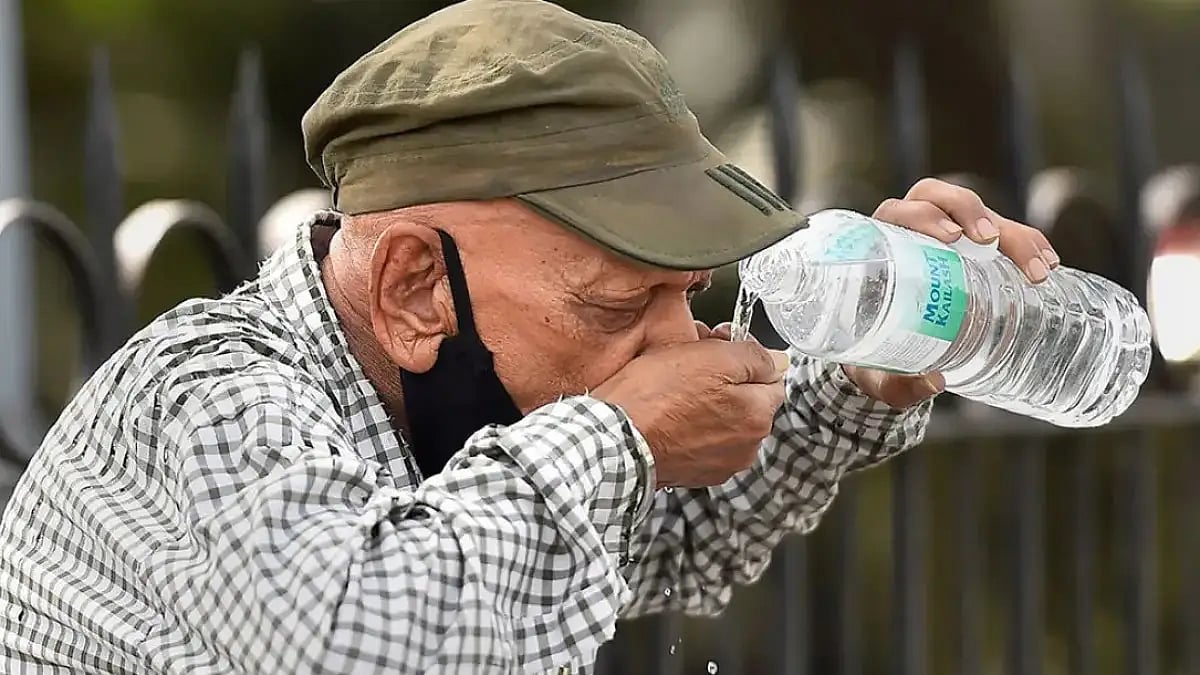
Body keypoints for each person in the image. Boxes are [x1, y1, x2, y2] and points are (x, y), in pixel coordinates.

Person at [0, 0, 1061, 673]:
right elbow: (360, 649)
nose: (673, 345)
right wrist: (624, 433)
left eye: (684, 294)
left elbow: (675, 531)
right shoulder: (209, 398)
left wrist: (864, 371)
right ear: (416, 287)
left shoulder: (452, 399)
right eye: (614, 305)